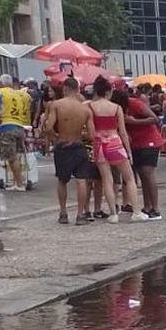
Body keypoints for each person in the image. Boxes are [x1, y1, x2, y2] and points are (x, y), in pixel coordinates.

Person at [86, 77, 142, 223]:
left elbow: (91, 132)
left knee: (107, 180)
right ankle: (136, 211)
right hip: (114, 142)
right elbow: (122, 132)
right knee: (129, 178)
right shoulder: (117, 108)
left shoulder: (90, 107)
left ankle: (113, 214)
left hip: (99, 144)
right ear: (108, 91)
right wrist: (128, 151)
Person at [44, 77, 96, 224]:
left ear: (65, 89)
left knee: (62, 180)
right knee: (81, 181)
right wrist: (79, 135)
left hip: (62, 145)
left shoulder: (57, 105)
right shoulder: (85, 109)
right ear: (78, 90)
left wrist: (56, 137)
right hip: (78, 145)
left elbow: (48, 127)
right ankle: (80, 214)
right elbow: (92, 135)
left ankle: (63, 213)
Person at [117, 87, 165, 220]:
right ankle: (147, 206)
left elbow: (154, 118)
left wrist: (135, 122)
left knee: (148, 173)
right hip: (135, 144)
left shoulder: (136, 104)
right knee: (142, 175)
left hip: (149, 141)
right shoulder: (117, 109)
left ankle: (155, 208)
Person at [0, 75, 32, 191]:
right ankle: (16, 181)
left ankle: (19, 184)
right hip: (19, 126)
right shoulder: (18, 94)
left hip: (6, 126)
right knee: (17, 156)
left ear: (1, 83)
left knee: (11, 157)